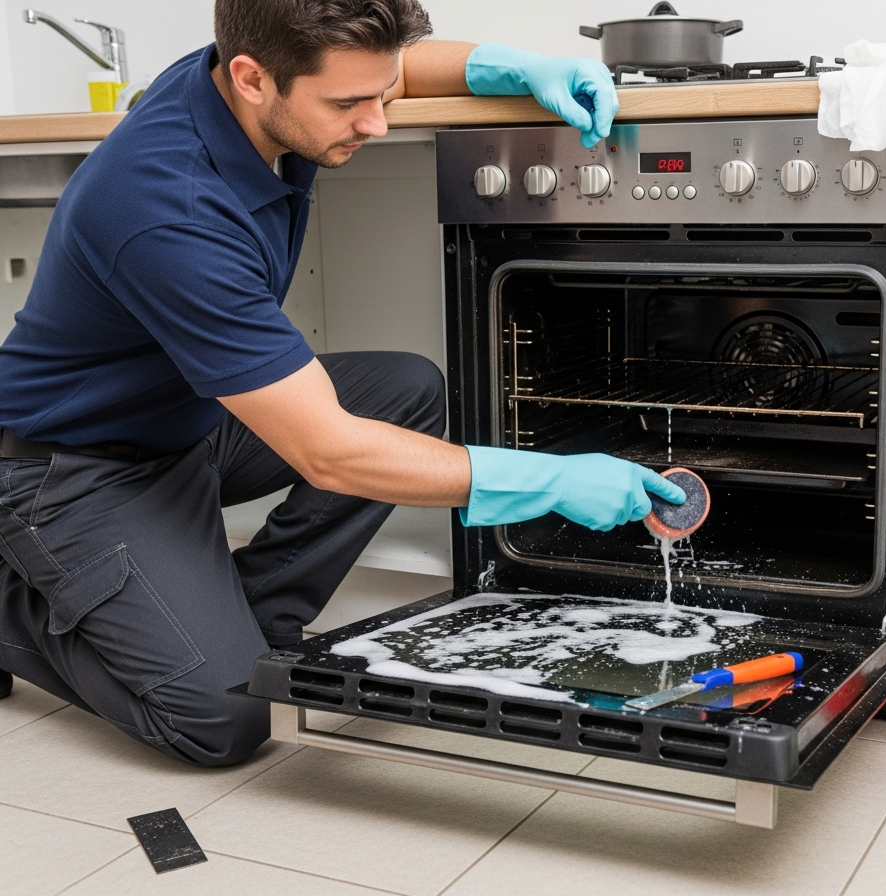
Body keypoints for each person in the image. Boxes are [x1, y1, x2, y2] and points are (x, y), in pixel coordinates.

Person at [0, 0, 683, 762]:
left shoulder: (249, 75)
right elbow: (331, 455)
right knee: (227, 720)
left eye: (378, 93)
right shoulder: (169, 207)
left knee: (407, 390)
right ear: (256, 80)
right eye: (351, 105)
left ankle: (256, 618)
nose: (377, 122)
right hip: (73, 467)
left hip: (187, 420)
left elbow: (389, 71)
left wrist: (520, 67)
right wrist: (551, 480)